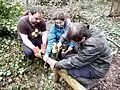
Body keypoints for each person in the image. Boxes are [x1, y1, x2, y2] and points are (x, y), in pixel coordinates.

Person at [43, 23, 112, 89]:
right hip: (91, 57)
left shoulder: (93, 45)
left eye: (75, 42)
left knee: (70, 70)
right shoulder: (84, 29)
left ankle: (89, 83)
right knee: (66, 57)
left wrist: (56, 64)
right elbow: (69, 33)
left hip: (98, 67)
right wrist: (60, 42)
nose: (73, 43)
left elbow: (76, 61)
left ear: (83, 39)